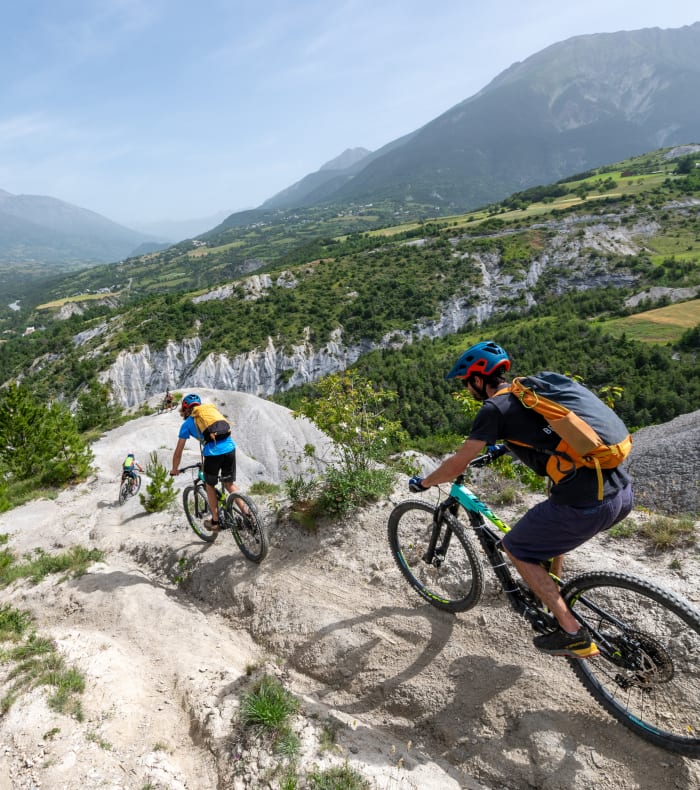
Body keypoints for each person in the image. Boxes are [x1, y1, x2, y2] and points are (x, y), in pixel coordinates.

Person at [409, 340, 634, 659]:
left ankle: (572, 632)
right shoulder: (529, 390)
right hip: (620, 492)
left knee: (516, 546)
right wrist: (504, 445)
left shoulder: (492, 409)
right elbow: (549, 432)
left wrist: (425, 482)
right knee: (547, 532)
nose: (467, 389)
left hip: (586, 504)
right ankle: (553, 594)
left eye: (466, 383)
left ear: (476, 380)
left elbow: (458, 463)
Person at [169, 393, 241, 533]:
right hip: (230, 448)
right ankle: (248, 514)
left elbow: (178, 451)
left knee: (209, 485)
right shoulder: (209, 413)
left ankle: (216, 521)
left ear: (185, 409)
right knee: (229, 484)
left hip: (213, 454)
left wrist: (174, 469)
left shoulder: (187, 423)